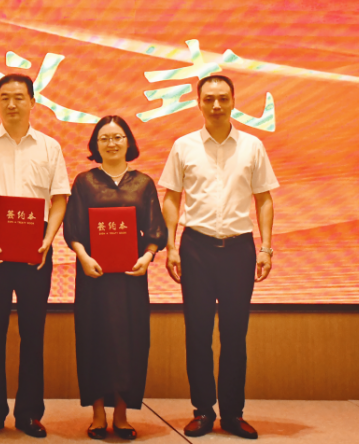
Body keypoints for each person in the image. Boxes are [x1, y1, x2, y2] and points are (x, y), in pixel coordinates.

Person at [159, 76, 278, 440]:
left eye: (223, 98)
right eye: (209, 98)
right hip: (196, 247)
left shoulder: (252, 146)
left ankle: (232, 413)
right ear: (198, 102)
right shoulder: (184, 146)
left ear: (233, 101)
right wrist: (171, 246)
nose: (216, 105)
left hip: (239, 249)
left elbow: (264, 199)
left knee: (234, 334)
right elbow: (171, 198)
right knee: (197, 333)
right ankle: (202, 410)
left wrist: (266, 247)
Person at [0, 73, 71, 439]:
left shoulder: (49, 147)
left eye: (19, 97)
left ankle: (29, 414)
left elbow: (59, 198)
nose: (11, 103)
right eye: (4, 97)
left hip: (37, 244)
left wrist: (49, 239)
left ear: (33, 102)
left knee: (33, 331)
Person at [63, 115, 167, 441]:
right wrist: (83, 256)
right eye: (104, 138)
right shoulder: (84, 182)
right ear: (95, 145)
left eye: (117, 137)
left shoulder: (143, 183)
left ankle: (121, 415)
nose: (111, 143)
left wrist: (147, 257)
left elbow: (155, 230)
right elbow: (73, 228)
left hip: (130, 277)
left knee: (129, 342)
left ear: (128, 142)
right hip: (93, 276)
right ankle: (97, 415)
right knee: (93, 339)